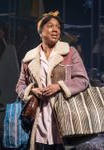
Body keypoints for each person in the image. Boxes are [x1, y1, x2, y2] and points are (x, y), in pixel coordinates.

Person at [16, 10, 89, 150]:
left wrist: (59, 86)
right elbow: (20, 85)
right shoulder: (29, 57)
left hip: (64, 118)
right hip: (39, 120)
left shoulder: (70, 52)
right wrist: (32, 91)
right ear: (40, 30)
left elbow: (83, 80)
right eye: (50, 26)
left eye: (58, 27)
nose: (56, 29)